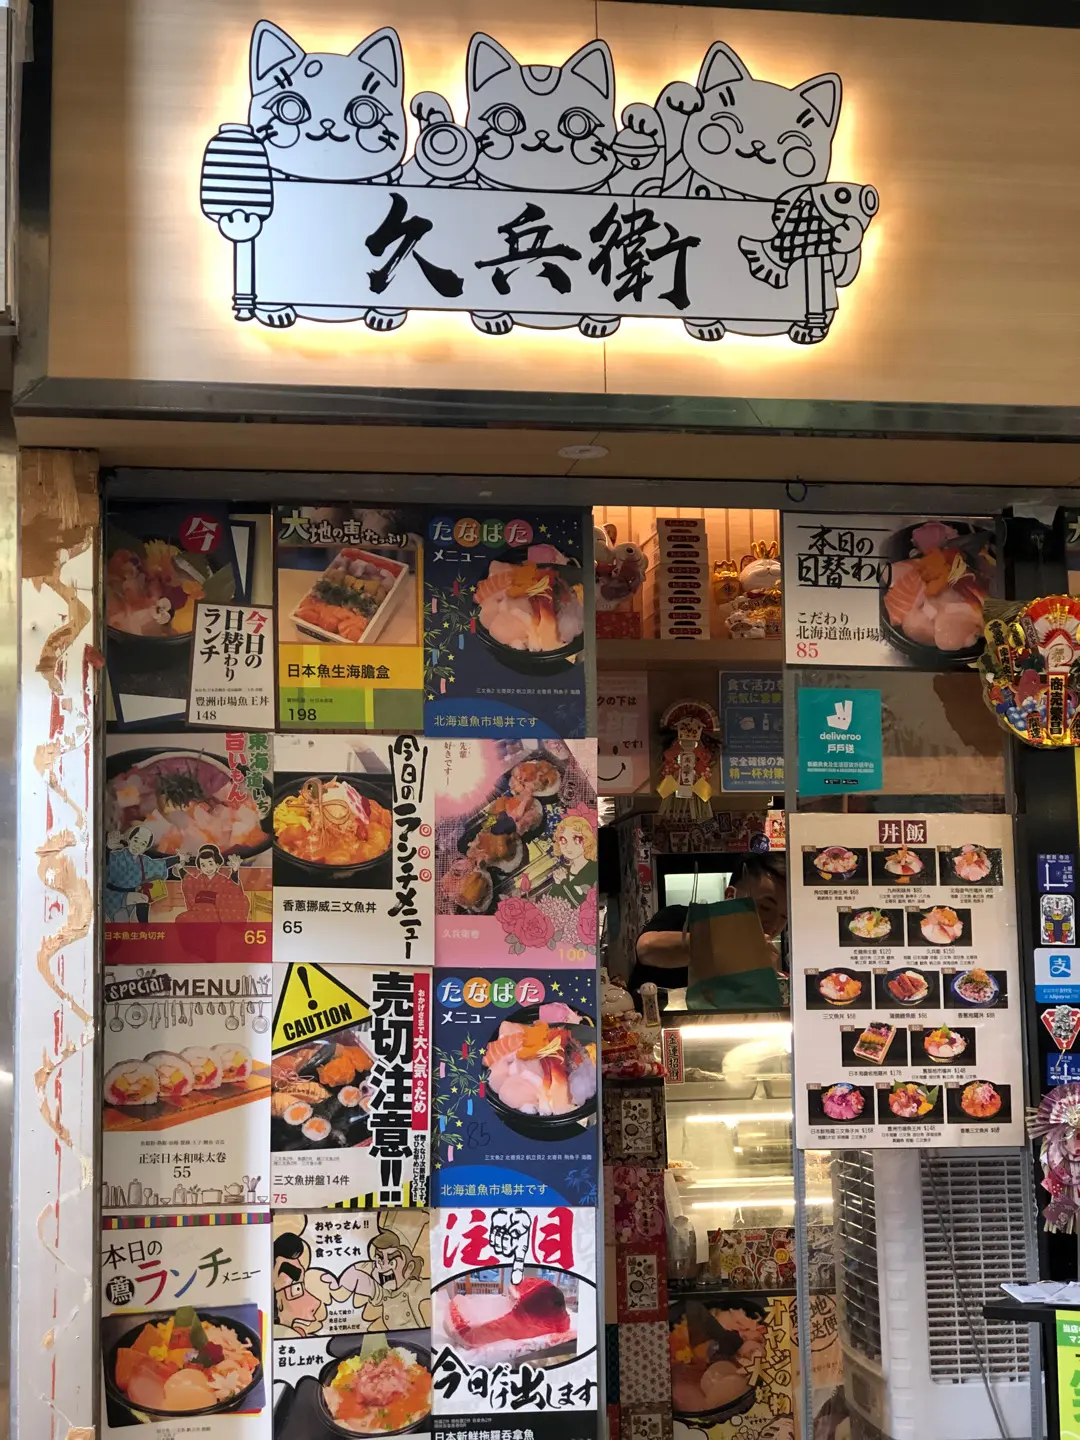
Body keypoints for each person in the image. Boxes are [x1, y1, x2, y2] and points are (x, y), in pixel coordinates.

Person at [629, 854, 788, 1000]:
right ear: (730, 896)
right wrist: (729, 945)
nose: (774, 924)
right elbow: (646, 949)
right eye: (765, 907)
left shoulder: (760, 960)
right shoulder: (683, 918)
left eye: (784, 917)